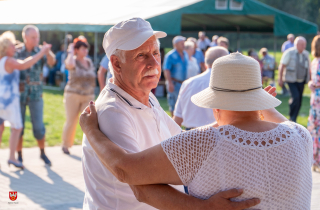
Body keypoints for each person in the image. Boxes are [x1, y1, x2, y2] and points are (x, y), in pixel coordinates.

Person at [80, 52, 313, 209]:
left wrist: (91, 130)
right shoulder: (301, 136)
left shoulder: (201, 145)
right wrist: (257, 104)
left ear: (215, 106)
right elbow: (274, 123)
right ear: (259, 102)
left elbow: (125, 171)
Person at [81, 17, 259, 210]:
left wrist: (236, 116)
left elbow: (181, 140)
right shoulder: (113, 111)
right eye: (141, 55)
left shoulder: (146, 98)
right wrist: (205, 207)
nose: (154, 63)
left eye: (156, 53)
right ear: (116, 64)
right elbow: (138, 185)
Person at [0, 31, 51, 169]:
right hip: (8, 101)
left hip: (5, 99)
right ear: (5, 48)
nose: (15, 48)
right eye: (12, 46)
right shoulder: (9, 60)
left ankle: (12, 157)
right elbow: (24, 64)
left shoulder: (3, 60)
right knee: (17, 127)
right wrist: (41, 53)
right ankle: (12, 157)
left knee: (3, 127)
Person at [16, 25, 55, 166]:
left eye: (37, 36)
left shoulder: (42, 51)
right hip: (19, 95)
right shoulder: (16, 51)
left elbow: (52, 62)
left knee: (39, 127)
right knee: (18, 127)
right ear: (25, 37)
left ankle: (42, 153)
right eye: (33, 37)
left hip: (36, 95)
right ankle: (19, 156)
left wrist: (48, 52)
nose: (36, 39)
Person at [173, 46, 227, 130]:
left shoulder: (187, 83)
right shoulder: (225, 84)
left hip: (189, 135)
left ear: (205, 64)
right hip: (217, 134)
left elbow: (177, 119)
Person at [61, 36, 96, 155]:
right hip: (73, 95)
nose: (85, 51)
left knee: (88, 122)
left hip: (88, 96)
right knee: (71, 120)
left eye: (86, 49)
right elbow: (69, 64)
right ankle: (66, 145)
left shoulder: (89, 61)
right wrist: (70, 50)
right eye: (82, 49)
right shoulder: (72, 60)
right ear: (77, 50)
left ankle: (89, 147)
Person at [278, 36, 310, 122]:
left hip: (301, 81)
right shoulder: (289, 53)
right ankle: (292, 117)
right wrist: (280, 79)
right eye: (302, 44)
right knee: (295, 97)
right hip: (291, 80)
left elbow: (309, 67)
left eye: (305, 44)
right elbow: (282, 66)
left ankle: (294, 117)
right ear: (297, 44)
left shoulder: (306, 54)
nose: (304, 46)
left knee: (299, 99)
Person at [163, 36, 188, 116]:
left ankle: (180, 123)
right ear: (176, 44)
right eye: (182, 43)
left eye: (184, 43)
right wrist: (170, 83)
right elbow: (166, 70)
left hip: (183, 84)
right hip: (174, 83)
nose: (183, 45)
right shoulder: (170, 55)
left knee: (182, 104)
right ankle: (174, 124)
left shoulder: (185, 54)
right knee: (173, 104)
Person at [308, 35, 320, 172]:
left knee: (315, 127)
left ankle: (315, 159)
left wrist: (311, 84)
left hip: (315, 96)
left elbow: (312, 80)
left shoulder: (314, 62)